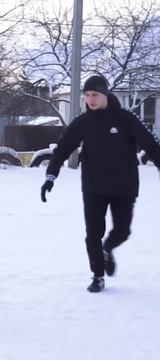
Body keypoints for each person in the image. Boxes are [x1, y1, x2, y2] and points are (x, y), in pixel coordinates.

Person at [40, 75, 160, 293]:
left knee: (122, 231)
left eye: (94, 94)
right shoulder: (82, 123)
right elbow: (62, 150)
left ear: (105, 94)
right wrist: (51, 176)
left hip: (124, 187)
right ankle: (97, 275)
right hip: (94, 187)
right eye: (87, 95)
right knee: (93, 233)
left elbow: (151, 145)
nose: (90, 99)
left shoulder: (126, 118)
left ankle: (108, 248)